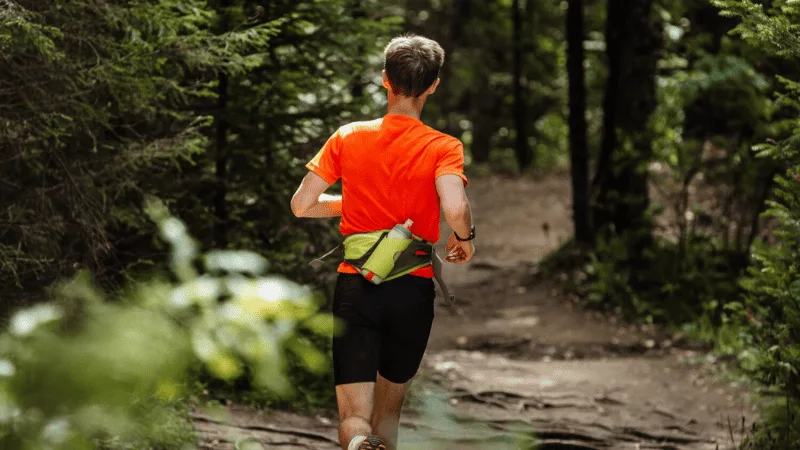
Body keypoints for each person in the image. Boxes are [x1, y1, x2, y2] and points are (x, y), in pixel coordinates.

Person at [290, 33, 475, 450]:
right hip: (412, 289)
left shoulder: (348, 136)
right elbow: (454, 206)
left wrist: (353, 202)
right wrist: (465, 239)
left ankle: (356, 445)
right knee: (387, 415)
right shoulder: (443, 146)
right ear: (433, 86)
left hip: (357, 286)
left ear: (384, 80)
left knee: (354, 417)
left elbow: (302, 205)